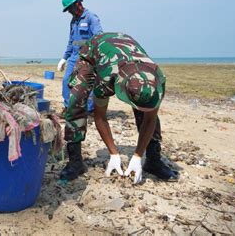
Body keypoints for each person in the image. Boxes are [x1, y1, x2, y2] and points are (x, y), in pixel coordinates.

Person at [60, 32, 178, 184]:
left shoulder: (157, 81)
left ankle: (154, 160)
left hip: (127, 49)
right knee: (76, 100)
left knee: (145, 107)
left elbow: (150, 119)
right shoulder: (107, 78)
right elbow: (100, 117)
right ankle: (75, 161)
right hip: (93, 52)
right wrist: (113, 154)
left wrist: (137, 156)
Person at [57, 0, 102, 114]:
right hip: (74, 56)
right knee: (67, 80)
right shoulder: (73, 21)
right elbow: (71, 41)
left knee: (88, 84)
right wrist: (64, 58)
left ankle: (89, 110)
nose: (69, 12)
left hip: (88, 57)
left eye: (70, 9)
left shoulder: (91, 18)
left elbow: (98, 38)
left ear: (78, 4)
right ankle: (68, 107)